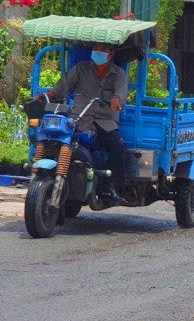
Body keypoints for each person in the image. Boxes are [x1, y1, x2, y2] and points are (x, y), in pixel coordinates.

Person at [35, 43, 129, 202]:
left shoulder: (118, 74)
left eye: (102, 50)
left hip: (104, 121)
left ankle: (111, 186)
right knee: (55, 139)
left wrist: (116, 100)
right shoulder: (81, 69)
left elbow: (121, 93)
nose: (97, 52)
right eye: (96, 49)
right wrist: (45, 97)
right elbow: (61, 88)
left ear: (110, 54)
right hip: (79, 119)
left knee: (117, 144)